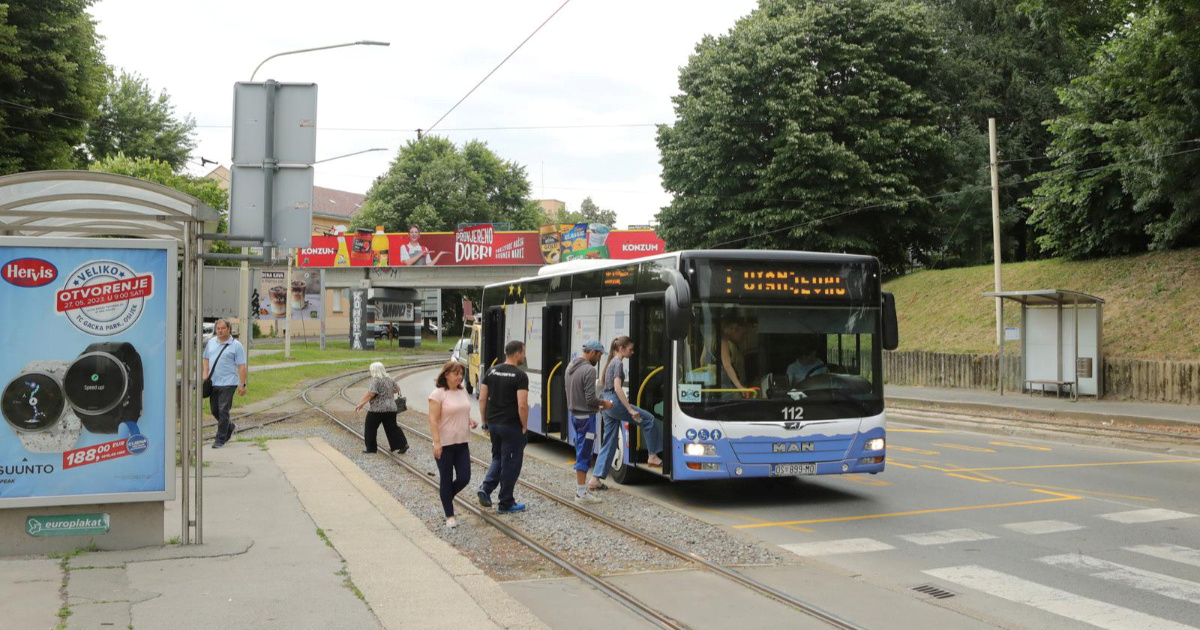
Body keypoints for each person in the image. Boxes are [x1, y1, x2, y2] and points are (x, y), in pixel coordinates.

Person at [589, 336, 663, 489]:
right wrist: (629, 409)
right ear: (621, 349)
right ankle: (653, 456)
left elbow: (608, 387)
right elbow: (617, 388)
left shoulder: (610, 363)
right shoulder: (618, 364)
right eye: (630, 349)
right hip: (614, 402)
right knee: (648, 420)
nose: (632, 352)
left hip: (607, 403)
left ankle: (595, 479)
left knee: (609, 441)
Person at [476, 341, 529, 514]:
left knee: (498, 457)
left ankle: (486, 488)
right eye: (523, 353)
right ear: (517, 354)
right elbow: (522, 405)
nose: (524, 356)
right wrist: (524, 425)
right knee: (511, 463)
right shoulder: (520, 376)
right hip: (511, 425)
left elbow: (482, 398)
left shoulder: (491, 371)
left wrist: (485, 420)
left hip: (494, 424)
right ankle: (506, 503)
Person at [428, 361, 478, 529]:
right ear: (446, 375)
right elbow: (433, 419)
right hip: (445, 443)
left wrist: (469, 420)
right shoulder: (438, 394)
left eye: (461, 374)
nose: (460, 377)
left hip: (462, 441)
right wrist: (437, 442)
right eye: (456, 373)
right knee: (446, 479)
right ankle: (449, 515)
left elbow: (463, 409)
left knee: (465, 477)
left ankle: (446, 496)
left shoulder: (462, 390)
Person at [565, 340, 614, 503]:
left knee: (581, 450)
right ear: (592, 352)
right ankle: (581, 493)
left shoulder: (571, 366)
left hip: (574, 415)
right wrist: (604, 403)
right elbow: (591, 399)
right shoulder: (589, 370)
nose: (599, 359)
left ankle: (581, 490)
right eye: (599, 355)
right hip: (586, 418)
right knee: (584, 453)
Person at [202, 319, 247, 449]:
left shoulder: (236, 345)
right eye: (218, 328)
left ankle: (220, 439)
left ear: (229, 329)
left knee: (223, 410)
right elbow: (206, 358)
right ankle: (229, 426)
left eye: (223, 328)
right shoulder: (211, 342)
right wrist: (205, 373)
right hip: (213, 382)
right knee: (214, 410)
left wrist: (242, 384)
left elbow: (241, 366)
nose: (220, 331)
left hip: (229, 382)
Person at [354, 362, 409, 454]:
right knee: (392, 427)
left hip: (377, 409)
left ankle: (371, 448)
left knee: (370, 428)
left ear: (374, 370)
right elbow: (397, 389)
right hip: (391, 408)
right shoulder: (389, 379)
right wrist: (387, 392)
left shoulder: (375, 381)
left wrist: (361, 404)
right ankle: (402, 444)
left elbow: (371, 394)